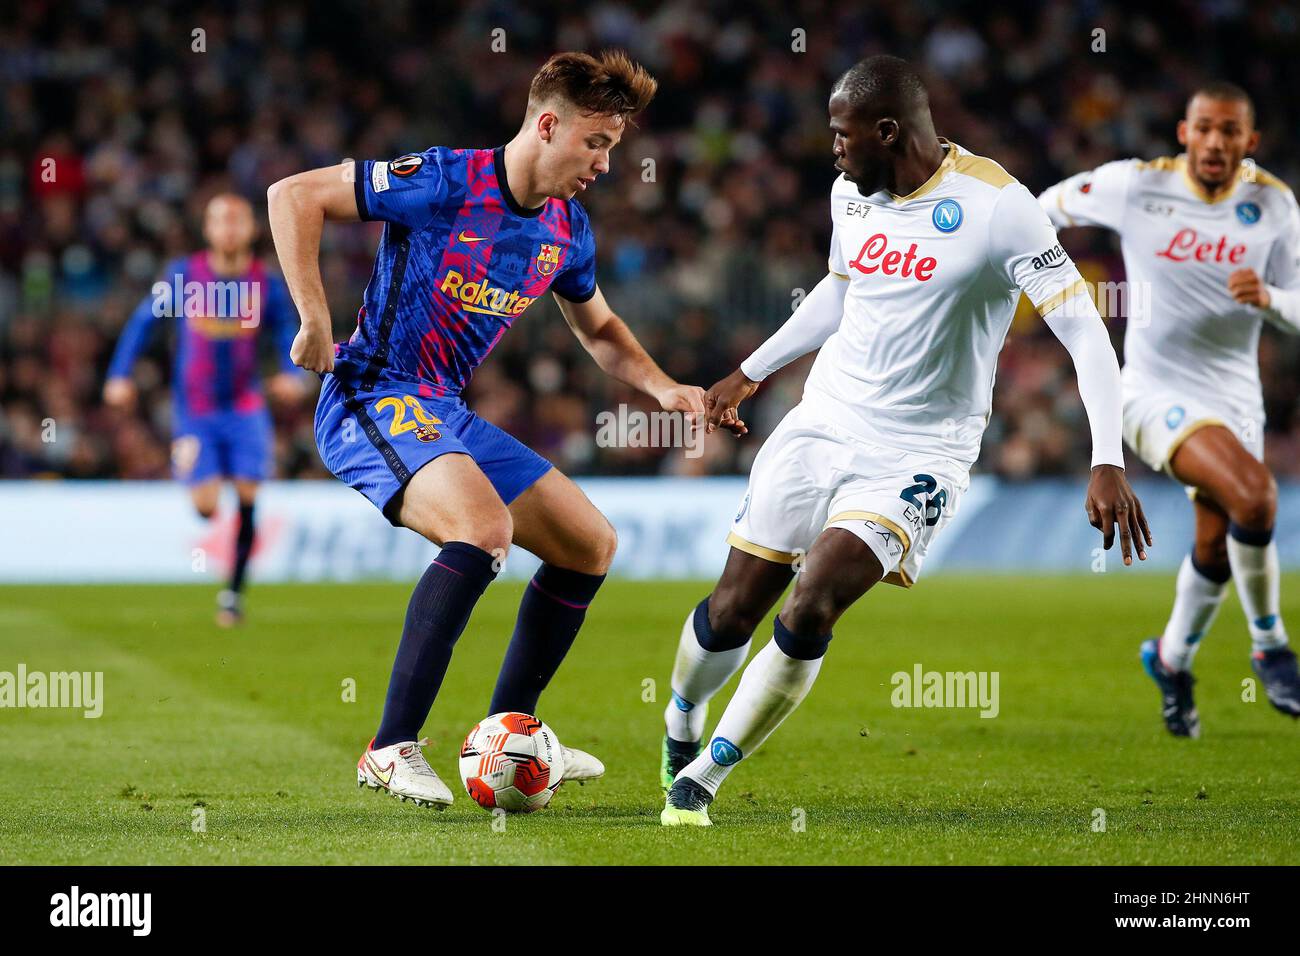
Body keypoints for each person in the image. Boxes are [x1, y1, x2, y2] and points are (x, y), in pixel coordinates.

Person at [658, 55, 1150, 827]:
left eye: (840, 134)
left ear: (887, 131)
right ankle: (680, 722)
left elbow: (1085, 333)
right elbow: (841, 288)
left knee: (815, 598)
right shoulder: (853, 195)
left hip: (921, 452)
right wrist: (749, 372)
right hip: (823, 420)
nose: (833, 149)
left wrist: (1107, 459)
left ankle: (702, 781)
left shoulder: (998, 208)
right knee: (731, 609)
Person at [268, 50, 710, 809]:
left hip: (445, 411)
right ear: (547, 125)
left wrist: (663, 386)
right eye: (597, 143)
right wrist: (314, 317)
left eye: (613, 147)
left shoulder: (567, 230)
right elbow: (293, 194)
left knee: (588, 545)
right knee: (481, 529)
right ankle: (388, 747)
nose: (605, 163)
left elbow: (598, 328)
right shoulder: (445, 180)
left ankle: (511, 728)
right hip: (373, 395)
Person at [1040, 82, 1300, 737]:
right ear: (1185, 133)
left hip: (1236, 398)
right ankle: (1271, 647)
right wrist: (1034, 284)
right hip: (1152, 391)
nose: (1216, 142)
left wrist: (1270, 298)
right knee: (1258, 497)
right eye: (1205, 128)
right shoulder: (1136, 186)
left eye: (1230, 132)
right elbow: (1041, 211)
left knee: (1218, 545)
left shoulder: (1273, 204)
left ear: (1250, 141)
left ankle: (1171, 658)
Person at [104, 193, 302, 627]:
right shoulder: (183, 275)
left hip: (245, 405)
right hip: (196, 408)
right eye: (220, 221)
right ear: (208, 229)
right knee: (207, 506)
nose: (229, 229)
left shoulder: (265, 282)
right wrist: (120, 374)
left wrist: (293, 374)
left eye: (237, 220)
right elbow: (143, 322)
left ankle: (232, 595)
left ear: (251, 228)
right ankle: (186, 458)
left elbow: (288, 329)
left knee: (250, 494)